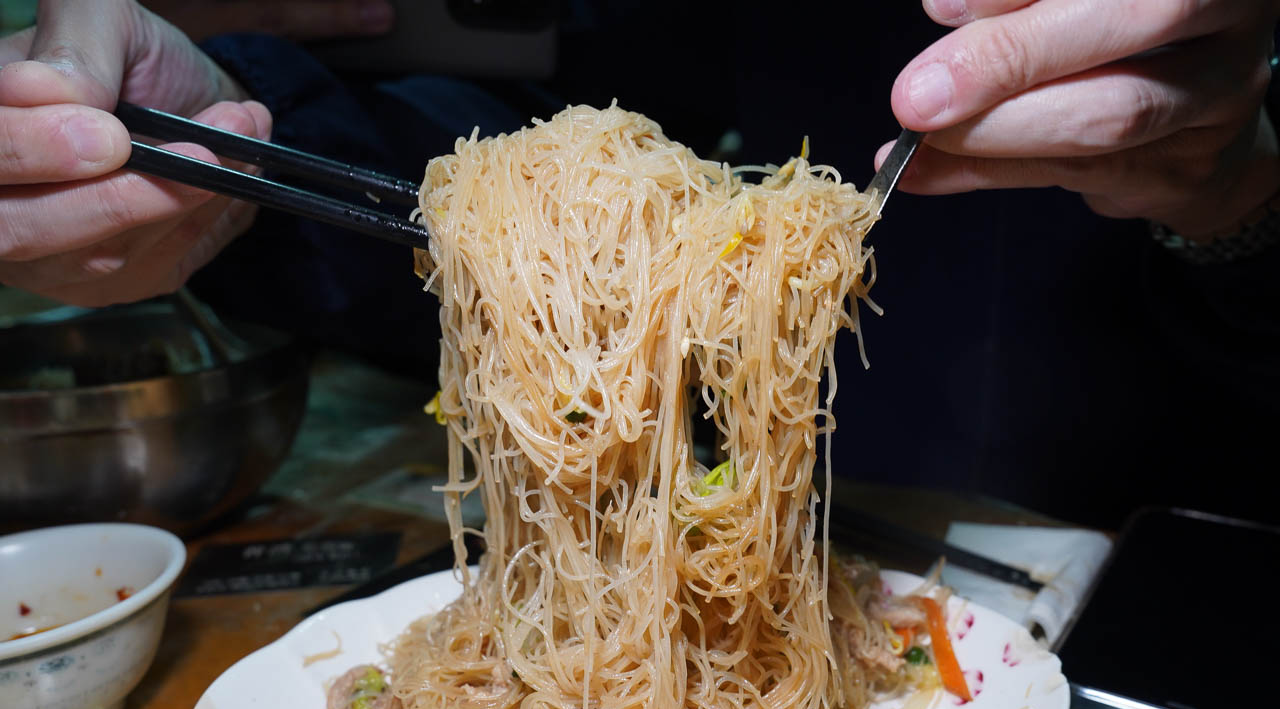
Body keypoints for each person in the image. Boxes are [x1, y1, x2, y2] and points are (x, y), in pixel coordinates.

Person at [1, 0, 1277, 526]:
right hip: (708, 514)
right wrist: (246, 139)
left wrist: (1241, 196)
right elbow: (510, 166)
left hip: (1151, 567)